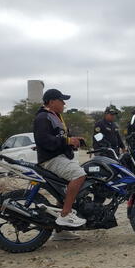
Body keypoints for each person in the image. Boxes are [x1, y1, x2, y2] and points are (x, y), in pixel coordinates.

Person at [33, 89, 86, 228]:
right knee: (79, 175)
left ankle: (61, 231)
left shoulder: (54, 116)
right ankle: (66, 214)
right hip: (51, 159)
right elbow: (44, 140)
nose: (64, 103)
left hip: (59, 157)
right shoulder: (43, 117)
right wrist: (67, 141)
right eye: (61, 100)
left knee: (63, 192)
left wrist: (74, 141)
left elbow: (59, 138)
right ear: (51, 102)